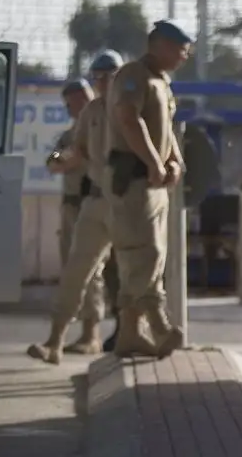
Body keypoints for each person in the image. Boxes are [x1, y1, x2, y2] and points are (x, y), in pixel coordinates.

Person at [28, 51, 125, 363]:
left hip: (124, 202)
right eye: (98, 77)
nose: (103, 82)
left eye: (109, 76)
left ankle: (126, 333)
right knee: (77, 272)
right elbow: (71, 155)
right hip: (91, 204)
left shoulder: (130, 109)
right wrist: (64, 159)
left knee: (132, 275)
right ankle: (55, 341)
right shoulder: (91, 116)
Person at [105, 21, 191, 359]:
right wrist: (154, 162)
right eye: (180, 51)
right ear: (159, 45)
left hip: (155, 183)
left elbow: (165, 130)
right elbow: (129, 119)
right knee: (144, 253)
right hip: (134, 179)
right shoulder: (133, 75)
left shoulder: (162, 82)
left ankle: (132, 333)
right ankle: (152, 327)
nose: (184, 58)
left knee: (151, 257)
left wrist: (174, 161)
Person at [44, 78, 107, 353]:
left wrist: (66, 159)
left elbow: (78, 158)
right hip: (71, 206)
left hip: (90, 204)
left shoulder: (99, 128)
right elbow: (55, 162)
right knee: (72, 271)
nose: (72, 107)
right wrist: (63, 158)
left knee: (90, 270)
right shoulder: (71, 133)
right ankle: (68, 335)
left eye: (76, 100)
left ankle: (91, 334)